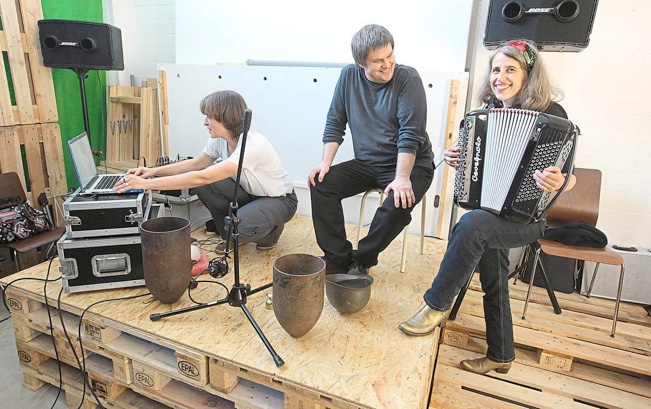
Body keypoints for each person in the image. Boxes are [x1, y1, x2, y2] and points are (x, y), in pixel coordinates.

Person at [399, 39, 576, 375]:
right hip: (492, 212)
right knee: (494, 279)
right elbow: (474, 164)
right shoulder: (485, 114)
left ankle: (436, 305)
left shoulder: (552, 116)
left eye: (510, 70)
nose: (500, 77)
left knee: (471, 225)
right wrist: (458, 157)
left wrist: (559, 181)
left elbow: (571, 178)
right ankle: (501, 354)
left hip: (527, 218)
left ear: (528, 75)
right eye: (496, 69)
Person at [308, 24, 434, 276]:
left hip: (411, 163)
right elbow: (335, 122)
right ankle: (337, 259)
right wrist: (325, 163)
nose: (387, 65)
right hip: (367, 162)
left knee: (399, 200)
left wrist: (402, 178)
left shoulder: (407, 78)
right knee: (320, 184)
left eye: (390, 55)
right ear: (360, 64)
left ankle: (362, 260)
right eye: (378, 61)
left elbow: (410, 134)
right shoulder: (348, 77)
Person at [114, 90, 298, 251]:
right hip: (252, 194)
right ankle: (230, 234)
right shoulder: (219, 139)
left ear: (225, 117)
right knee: (206, 188)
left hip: (280, 200)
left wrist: (147, 184)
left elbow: (202, 176)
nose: (205, 122)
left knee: (235, 223)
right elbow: (196, 164)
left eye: (209, 117)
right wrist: (151, 171)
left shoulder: (253, 145)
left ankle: (270, 232)